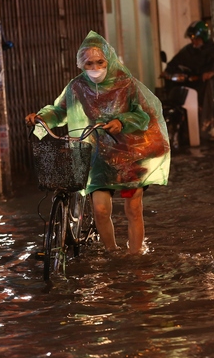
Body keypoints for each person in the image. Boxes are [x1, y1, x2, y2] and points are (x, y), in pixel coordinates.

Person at [25, 31, 170, 255]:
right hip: (98, 155)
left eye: (99, 62)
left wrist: (121, 122)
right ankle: (112, 252)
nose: (95, 68)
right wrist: (42, 118)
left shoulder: (127, 83)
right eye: (89, 64)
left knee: (133, 209)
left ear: (108, 60)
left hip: (131, 153)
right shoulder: (76, 87)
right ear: (81, 65)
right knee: (101, 209)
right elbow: (60, 110)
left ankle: (135, 256)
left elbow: (144, 114)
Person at [163, 20, 214, 138]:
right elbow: (173, 64)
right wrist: (167, 73)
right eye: (192, 39)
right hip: (193, 86)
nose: (193, 42)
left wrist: (213, 73)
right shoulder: (188, 51)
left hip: (213, 91)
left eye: (196, 39)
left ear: (204, 38)